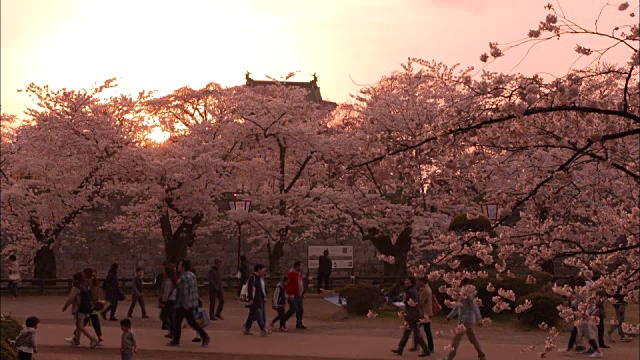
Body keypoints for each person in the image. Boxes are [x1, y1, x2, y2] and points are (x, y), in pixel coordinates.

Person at [167, 259, 210, 347]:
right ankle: (204, 336)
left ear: (183, 267)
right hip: (191, 303)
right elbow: (194, 290)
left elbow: (185, 292)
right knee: (190, 322)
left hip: (183, 304)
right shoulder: (192, 275)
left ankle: (176, 340)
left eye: (180, 265)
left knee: (179, 322)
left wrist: (185, 304)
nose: (178, 267)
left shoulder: (184, 277)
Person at [444, 278, 485, 360]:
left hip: (464, 320)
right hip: (470, 320)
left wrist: (449, 316)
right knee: (473, 339)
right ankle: (481, 355)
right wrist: (478, 318)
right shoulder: (468, 292)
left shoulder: (465, 293)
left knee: (456, 340)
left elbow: (470, 306)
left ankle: (449, 358)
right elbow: (459, 306)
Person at [391, 277, 430, 357]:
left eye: (407, 280)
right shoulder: (411, 290)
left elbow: (414, 302)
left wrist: (404, 303)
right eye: (405, 280)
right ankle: (400, 349)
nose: (405, 281)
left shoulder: (411, 291)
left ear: (411, 282)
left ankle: (426, 350)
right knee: (407, 332)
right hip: (411, 313)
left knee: (416, 334)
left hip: (412, 314)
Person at [63, 272, 99, 348]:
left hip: (79, 308)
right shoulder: (84, 286)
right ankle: (77, 340)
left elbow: (71, 298)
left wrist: (65, 306)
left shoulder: (76, 287)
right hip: (86, 307)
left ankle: (92, 339)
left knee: (80, 326)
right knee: (78, 325)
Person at [68, 268, 104, 345]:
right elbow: (98, 292)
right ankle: (99, 336)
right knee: (95, 320)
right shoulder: (96, 281)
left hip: (89, 304)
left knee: (83, 321)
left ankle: (77, 337)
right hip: (95, 304)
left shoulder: (88, 282)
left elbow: (87, 292)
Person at [243, 263, 270, 336]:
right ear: (258, 270)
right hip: (254, 299)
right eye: (263, 270)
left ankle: (247, 328)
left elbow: (260, 289)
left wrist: (263, 296)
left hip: (259, 299)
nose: (264, 272)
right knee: (258, 314)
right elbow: (250, 288)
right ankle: (263, 328)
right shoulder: (252, 277)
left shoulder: (259, 278)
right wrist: (250, 298)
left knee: (252, 314)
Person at [410, 276, 434, 353]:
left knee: (418, 329)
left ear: (423, 281)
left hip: (424, 313)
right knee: (424, 330)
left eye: (419, 281)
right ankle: (427, 347)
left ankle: (425, 347)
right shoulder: (427, 288)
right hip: (427, 312)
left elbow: (421, 302)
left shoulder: (424, 290)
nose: (417, 282)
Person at [285, 261, 307, 329]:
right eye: (301, 266)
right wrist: (290, 294)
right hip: (293, 295)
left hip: (299, 295)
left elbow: (301, 284)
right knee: (293, 309)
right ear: (297, 266)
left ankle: (299, 323)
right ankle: (283, 320)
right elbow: (289, 285)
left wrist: (303, 292)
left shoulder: (299, 274)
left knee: (300, 310)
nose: (302, 267)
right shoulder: (290, 274)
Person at [160, 265, 177, 339]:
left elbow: (166, 292)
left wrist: (163, 301)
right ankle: (172, 331)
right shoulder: (172, 280)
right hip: (172, 300)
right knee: (170, 316)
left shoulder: (168, 281)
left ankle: (172, 331)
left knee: (166, 316)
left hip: (169, 300)